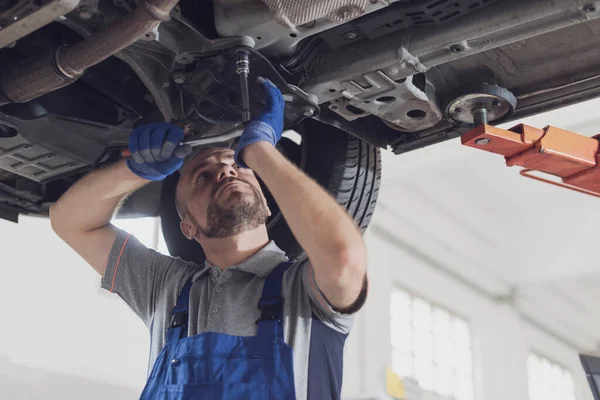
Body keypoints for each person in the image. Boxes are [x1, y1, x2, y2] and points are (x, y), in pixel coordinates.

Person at [50, 77, 368, 399]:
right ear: (188, 226)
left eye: (238, 167)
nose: (225, 172)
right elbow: (70, 221)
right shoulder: (166, 288)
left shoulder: (302, 290)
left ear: (267, 204)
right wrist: (133, 170)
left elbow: (344, 259)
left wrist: (259, 150)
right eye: (203, 176)